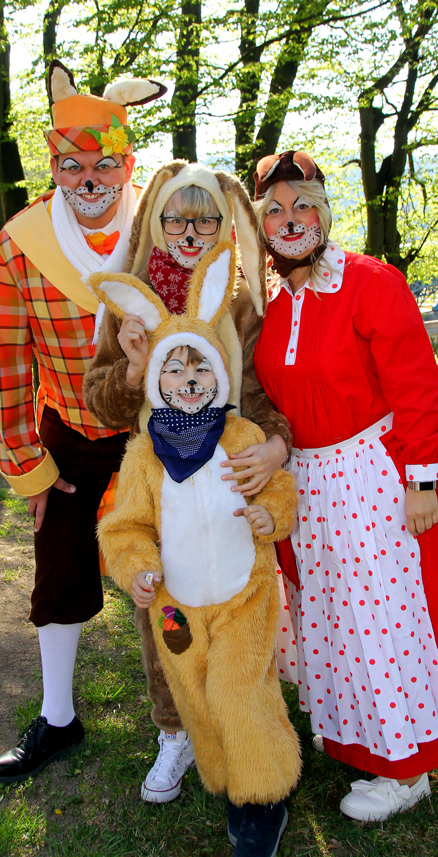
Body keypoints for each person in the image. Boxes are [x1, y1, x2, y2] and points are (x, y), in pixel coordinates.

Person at [240, 149, 438, 822]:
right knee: (332, 617)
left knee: (385, 618)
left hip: (372, 475)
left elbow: (416, 385)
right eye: (275, 210)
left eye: (303, 206)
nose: (290, 219)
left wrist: (421, 480)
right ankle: (358, 733)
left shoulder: (369, 282)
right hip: (309, 481)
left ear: (324, 213)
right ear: (259, 223)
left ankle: (407, 767)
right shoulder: (266, 300)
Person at [83, 162, 292, 803]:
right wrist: (130, 371)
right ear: (156, 223)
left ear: (224, 226)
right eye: (177, 220)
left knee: (237, 602)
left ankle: (247, 718)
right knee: (162, 609)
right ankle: (175, 729)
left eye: (207, 221)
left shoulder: (240, 301)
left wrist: (276, 445)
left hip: (225, 473)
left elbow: (262, 395)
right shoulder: (131, 303)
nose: (191, 234)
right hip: (159, 477)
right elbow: (99, 403)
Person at [0, 60, 166, 784]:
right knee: (58, 568)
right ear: (54, 167)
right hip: (69, 427)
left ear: (128, 165)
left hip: (158, 428)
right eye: (72, 165)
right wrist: (28, 467)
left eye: (105, 164)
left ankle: (187, 714)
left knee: (174, 567)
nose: (89, 180)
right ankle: (57, 717)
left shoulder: (163, 225)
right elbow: (6, 361)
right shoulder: (18, 242)